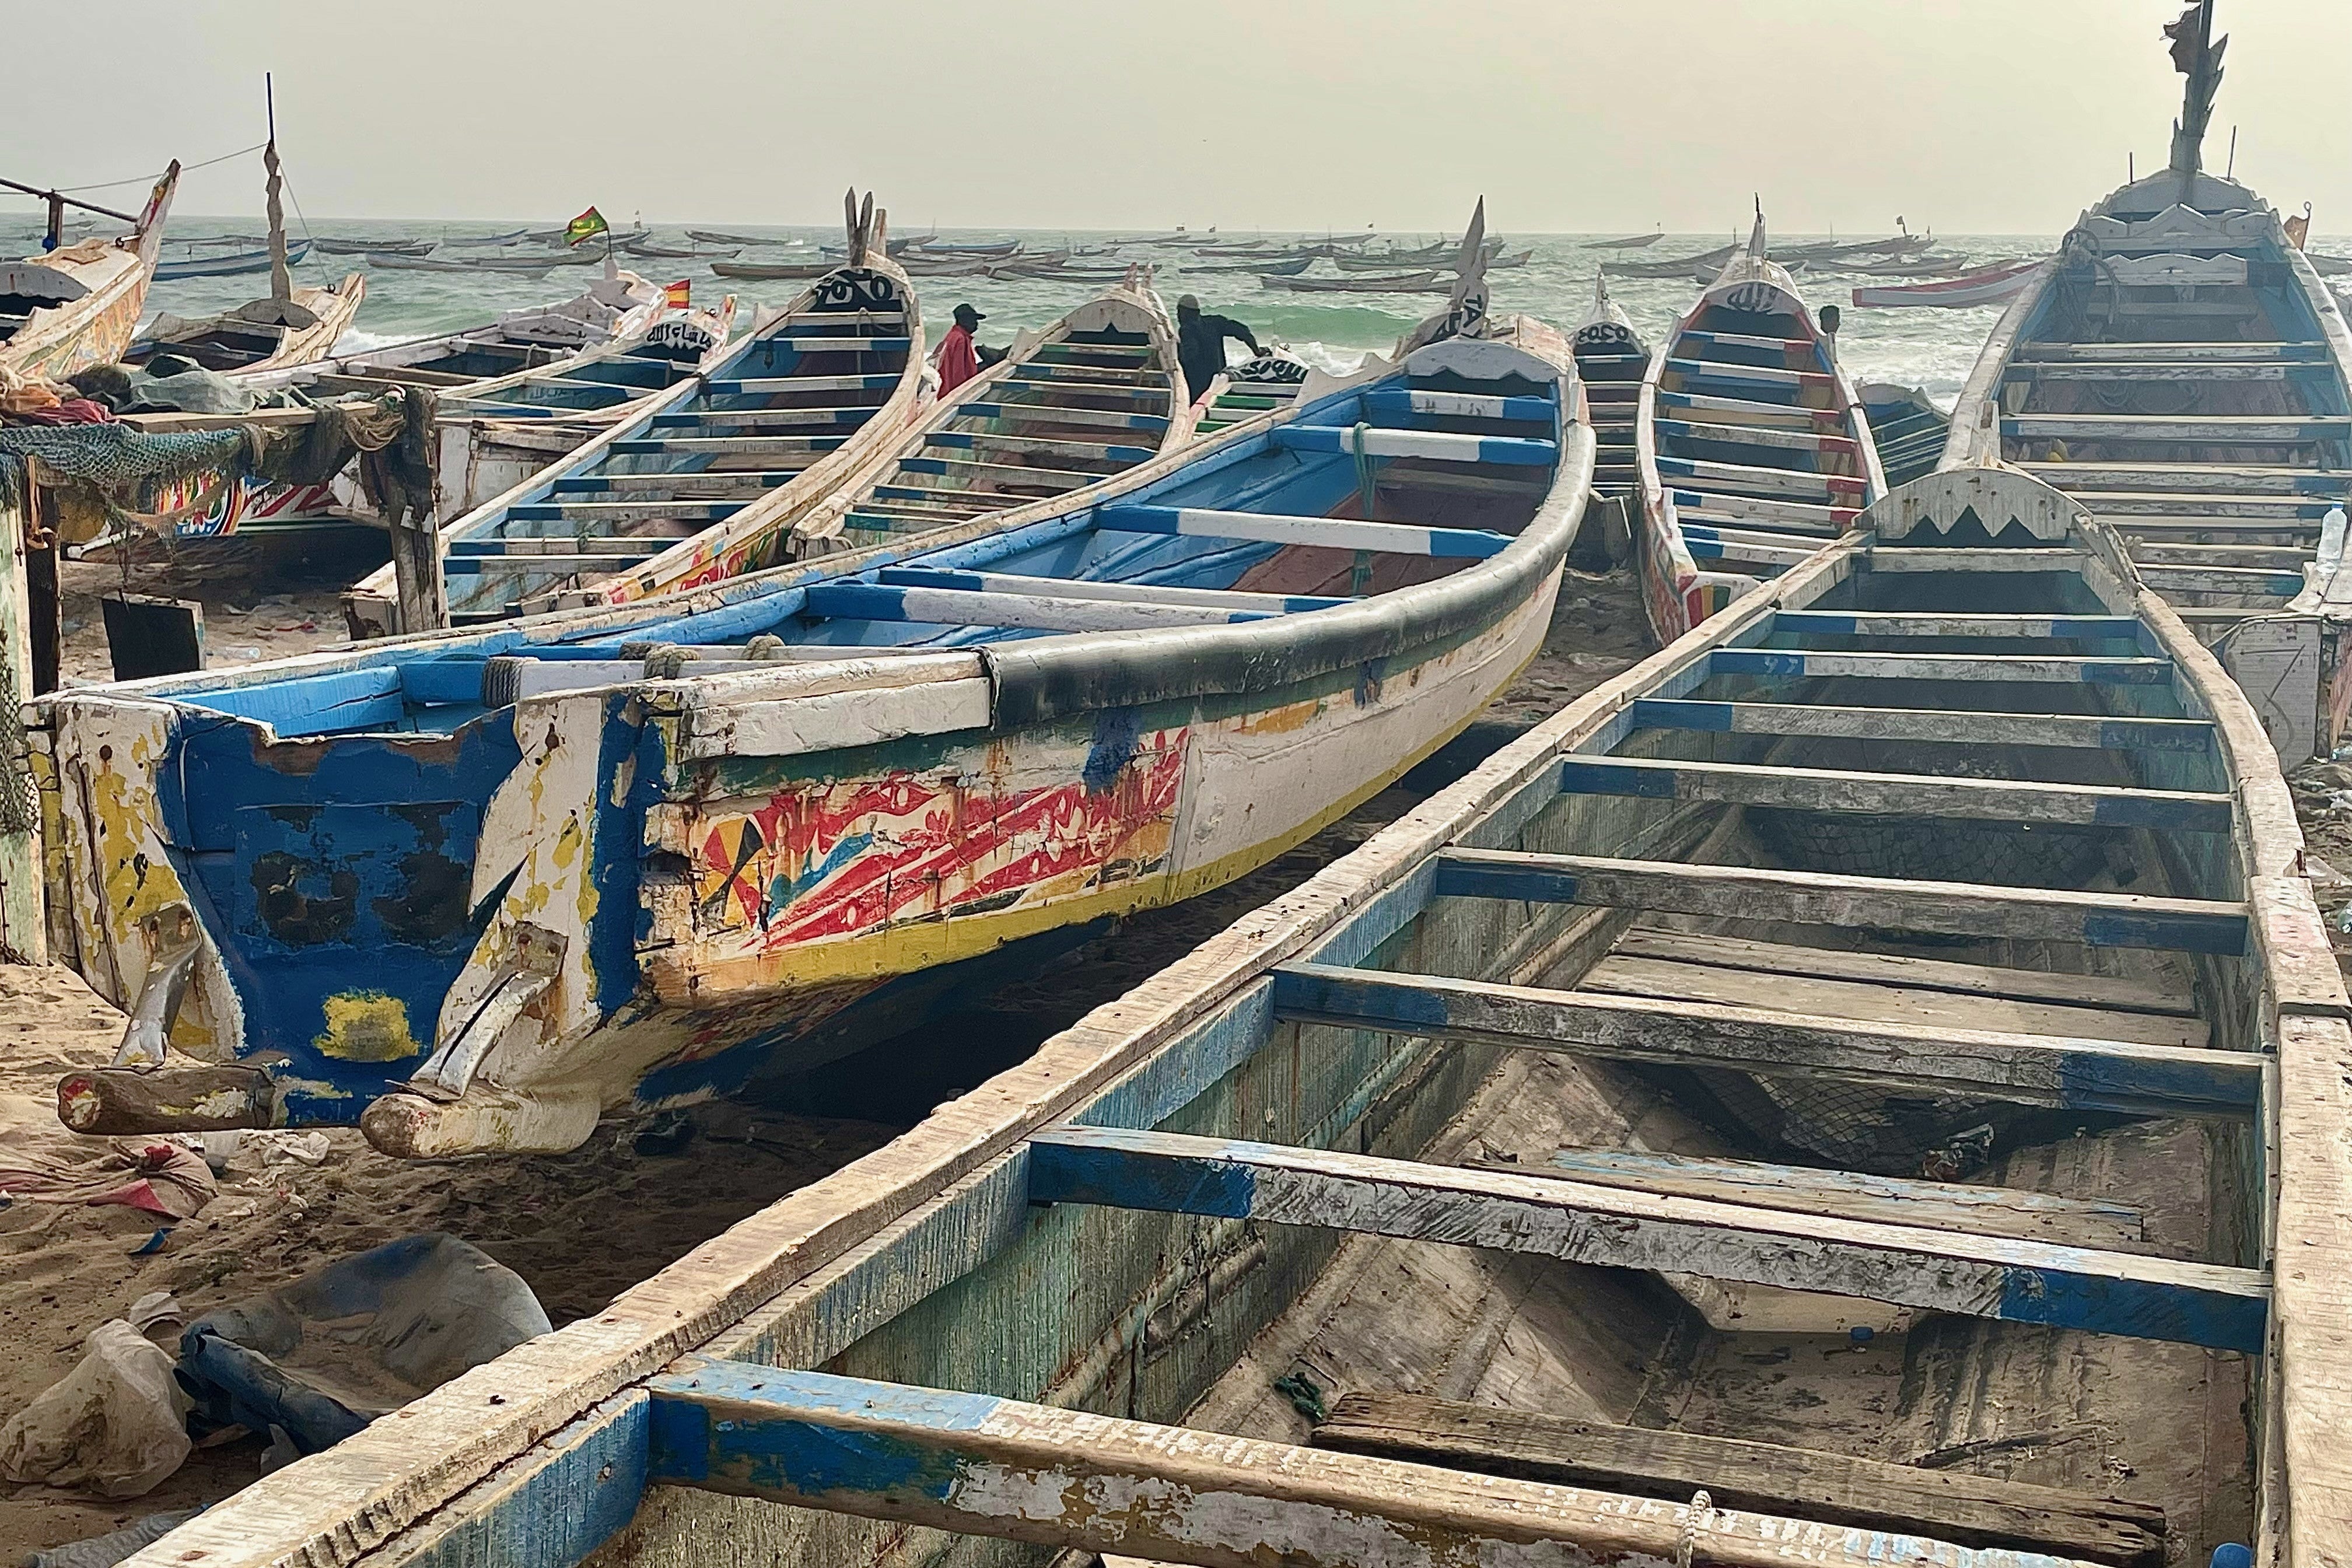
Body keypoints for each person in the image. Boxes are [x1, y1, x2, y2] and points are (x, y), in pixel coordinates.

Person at [1176, 294, 1262, 405]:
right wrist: (1257, 351)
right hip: (1218, 381)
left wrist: (1176, 361)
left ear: (1186, 312)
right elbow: (1242, 330)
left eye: (1179, 312)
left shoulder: (1186, 329)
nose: (1178, 317)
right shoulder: (1215, 323)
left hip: (1195, 385)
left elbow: (1190, 353)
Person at [935, 302, 992, 396]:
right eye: (973, 320)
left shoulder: (954, 335)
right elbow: (958, 372)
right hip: (952, 389)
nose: (976, 324)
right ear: (965, 321)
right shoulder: (960, 339)